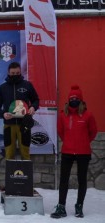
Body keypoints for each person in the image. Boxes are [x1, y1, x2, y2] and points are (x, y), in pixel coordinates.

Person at [51, 85, 97, 219]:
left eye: (77, 99)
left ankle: (79, 206)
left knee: (82, 179)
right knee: (64, 180)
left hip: (83, 152)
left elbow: (93, 132)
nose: (74, 101)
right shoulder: (63, 115)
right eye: (72, 99)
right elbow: (60, 131)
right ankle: (61, 206)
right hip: (67, 151)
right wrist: (69, 141)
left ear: (81, 100)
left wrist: (83, 141)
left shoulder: (88, 115)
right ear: (68, 100)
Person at [0, 62, 39, 160]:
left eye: (17, 73)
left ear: (20, 72)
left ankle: (26, 175)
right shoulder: (2, 88)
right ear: (8, 73)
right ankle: (10, 175)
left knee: (25, 152)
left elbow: (36, 100)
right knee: (9, 153)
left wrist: (33, 107)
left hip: (24, 124)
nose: (15, 75)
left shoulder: (27, 85)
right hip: (9, 125)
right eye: (13, 73)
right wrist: (3, 114)